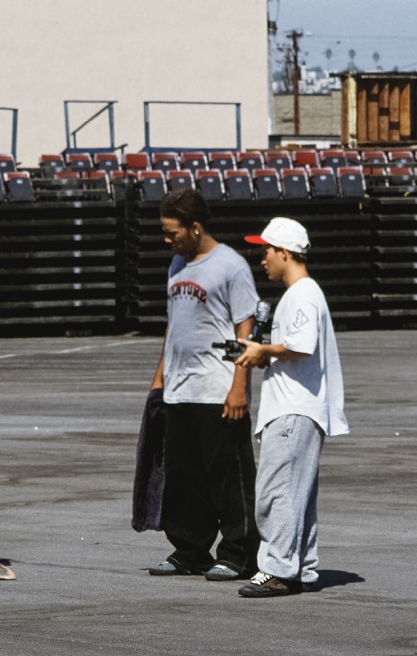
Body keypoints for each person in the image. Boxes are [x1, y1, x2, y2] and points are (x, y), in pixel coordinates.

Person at [148, 189, 261, 580]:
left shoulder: (230, 266)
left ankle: (238, 553)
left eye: (172, 232)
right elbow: (175, 324)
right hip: (180, 390)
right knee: (185, 478)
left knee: (228, 476)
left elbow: (245, 329)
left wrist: (238, 386)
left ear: (195, 228)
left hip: (218, 389)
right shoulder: (177, 264)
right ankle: (190, 550)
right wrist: (160, 377)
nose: (167, 240)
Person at [234, 217, 348, 597]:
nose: (262, 258)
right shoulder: (303, 294)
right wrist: (265, 355)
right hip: (301, 407)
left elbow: (302, 345)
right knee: (296, 492)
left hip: (293, 409)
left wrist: (264, 349)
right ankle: (301, 567)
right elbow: (296, 351)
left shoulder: (301, 294)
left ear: (284, 252)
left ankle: (278, 568)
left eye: (266, 251)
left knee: (274, 491)